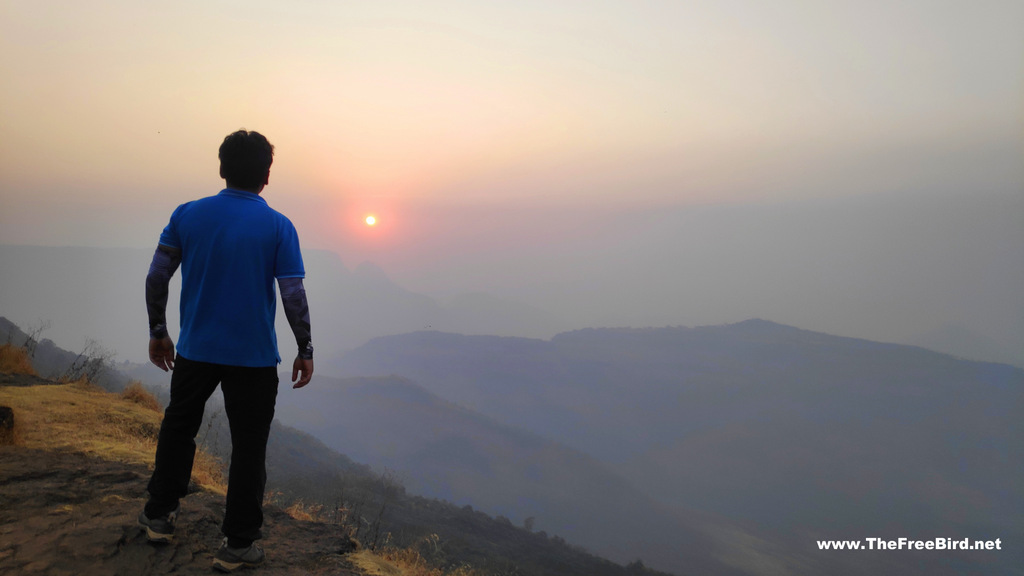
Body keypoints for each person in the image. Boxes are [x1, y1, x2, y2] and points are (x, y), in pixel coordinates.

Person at [138, 129, 314, 572]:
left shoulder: (187, 214)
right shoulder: (278, 226)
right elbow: (292, 295)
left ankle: (159, 515)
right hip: (254, 357)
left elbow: (158, 276)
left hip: (196, 349)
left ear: (222, 167)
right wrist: (305, 347)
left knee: (180, 426)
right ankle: (238, 543)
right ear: (266, 175)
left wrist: (159, 329)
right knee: (249, 447)